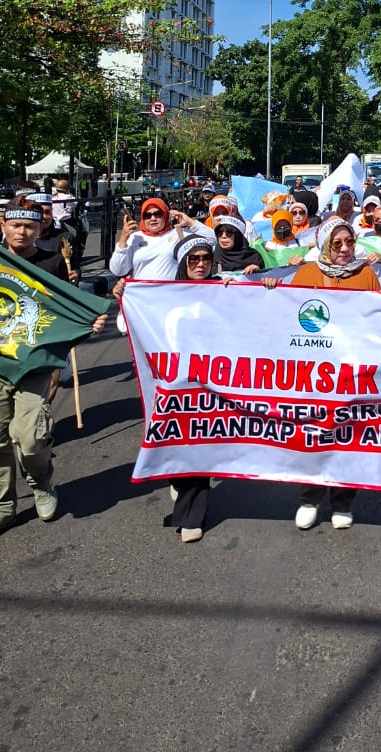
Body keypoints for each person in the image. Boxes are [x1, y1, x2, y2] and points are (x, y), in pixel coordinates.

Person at [0, 205, 106, 544]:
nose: (22, 232)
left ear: (40, 228)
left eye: (29, 226)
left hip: (34, 364)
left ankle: (41, 482)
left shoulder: (52, 262)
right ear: (3, 224)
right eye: (15, 225)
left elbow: (66, 309)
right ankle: (0, 508)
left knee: (30, 438)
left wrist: (89, 320)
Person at [270, 218, 380, 532]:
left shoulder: (366, 274)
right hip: (314, 373)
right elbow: (287, 315)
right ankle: (310, 499)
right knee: (313, 434)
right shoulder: (306, 273)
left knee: (347, 435)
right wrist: (272, 290)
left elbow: (380, 318)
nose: (345, 249)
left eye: (350, 242)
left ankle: (343, 502)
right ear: (324, 246)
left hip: (352, 372)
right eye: (337, 243)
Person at [167, 232, 219, 542]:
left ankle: (191, 516)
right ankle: (177, 477)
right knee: (176, 442)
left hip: (212, 382)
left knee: (200, 443)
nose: (201, 264)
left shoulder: (224, 288)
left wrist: (264, 284)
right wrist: (125, 292)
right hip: (173, 381)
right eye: (194, 259)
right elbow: (125, 323)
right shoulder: (163, 294)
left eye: (206, 259)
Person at [109, 197, 202, 281]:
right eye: (147, 215)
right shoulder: (134, 237)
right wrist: (123, 240)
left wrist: (191, 222)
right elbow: (118, 271)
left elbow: (209, 240)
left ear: (165, 215)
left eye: (157, 214)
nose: (153, 218)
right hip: (141, 293)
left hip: (171, 292)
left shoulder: (178, 234)